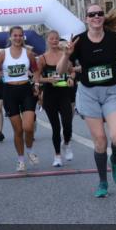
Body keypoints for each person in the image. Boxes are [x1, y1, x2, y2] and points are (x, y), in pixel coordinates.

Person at [57, 4, 116, 198]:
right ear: (86, 19)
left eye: (99, 14)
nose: (96, 16)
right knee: (100, 141)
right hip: (88, 94)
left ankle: (114, 159)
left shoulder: (114, 38)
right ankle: (103, 181)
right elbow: (61, 71)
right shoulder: (78, 42)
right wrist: (66, 54)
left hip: (111, 92)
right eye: (92, 14)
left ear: (103, 17)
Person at [0, 26, 38, 172]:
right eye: (15, 36)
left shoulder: (28, 53)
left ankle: (30, 150)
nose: (17, 38)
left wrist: (36, 84)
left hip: (26, 90)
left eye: (20, 35)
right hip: (9, 92)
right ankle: (21, 160)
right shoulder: (3, 53)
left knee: (28, 127)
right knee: (18, 130)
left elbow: (36, 70)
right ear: (10, 37)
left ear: (23, 37)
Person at [35, 30, 76, 167]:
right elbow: (37, 77)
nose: (54, 41)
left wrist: (70, 78)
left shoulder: (64, 55)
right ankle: (57, 156)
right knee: (55, 127)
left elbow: (72, 71)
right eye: (51, 38)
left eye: (56, 39)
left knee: (67, 122)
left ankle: (67, 143)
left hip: (64, 93)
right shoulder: (42, 58)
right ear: (47, 40)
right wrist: (48, 79)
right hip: (50, 95)